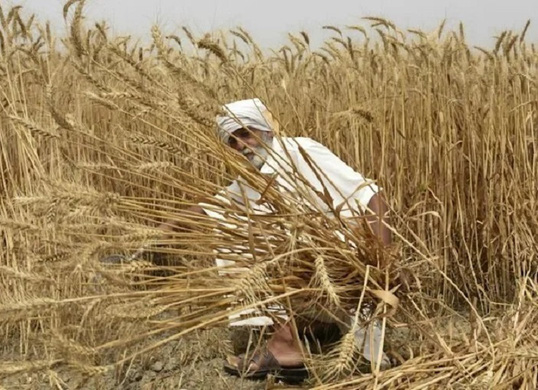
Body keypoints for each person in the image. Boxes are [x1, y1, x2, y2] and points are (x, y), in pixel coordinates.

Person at [156, 98, 392, 380]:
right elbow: (214, 207)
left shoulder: (301, 151)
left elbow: (372, 196)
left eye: (245, 133)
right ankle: (289, 341)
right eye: (232, 141)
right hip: (321, 282)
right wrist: (163, 230)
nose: (241, 145)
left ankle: (299, 337)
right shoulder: (255, 178)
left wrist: (381, 262)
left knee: (255, 237)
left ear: (265, 130)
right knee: (237, 225)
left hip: (355, 277)